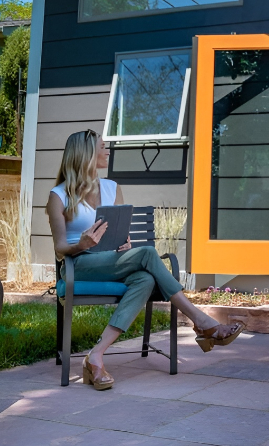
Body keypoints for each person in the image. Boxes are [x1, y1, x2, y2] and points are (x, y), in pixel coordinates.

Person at [47, 129, 244, 391]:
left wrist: (124, 242)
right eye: (103, 147)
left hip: (112, 261)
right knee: (148, 253)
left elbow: (119, 232)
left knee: (145, 279)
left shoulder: (112, 188)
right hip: (80, 264)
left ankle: (96, 355)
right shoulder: (59, 195)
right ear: (86, 154)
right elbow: (60, 247)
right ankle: (201, 321)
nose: (108, 151)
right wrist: (81, 244)